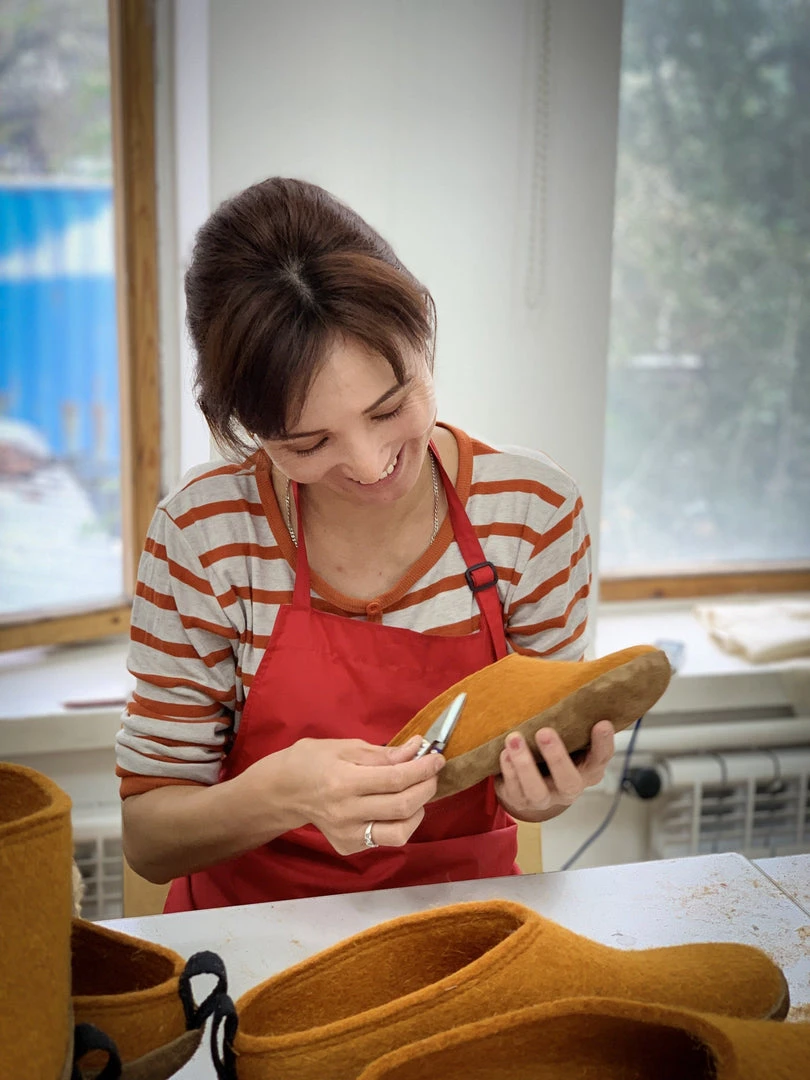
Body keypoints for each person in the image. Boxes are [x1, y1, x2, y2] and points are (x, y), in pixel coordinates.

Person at [117, 177, 615, 911]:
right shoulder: (207, 534)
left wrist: (545, 790)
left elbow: (538, 769)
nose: (369, 463)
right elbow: (150, 842)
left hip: (467, 924)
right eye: (308, 443)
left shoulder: (532, 516)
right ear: (249, 429)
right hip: (252, 939)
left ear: (423, 335)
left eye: (390, 407)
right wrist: (283, 795)